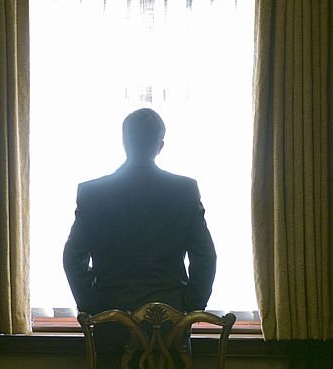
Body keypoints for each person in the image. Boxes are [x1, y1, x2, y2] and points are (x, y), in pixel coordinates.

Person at [62, 108, 217, 316]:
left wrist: (92, 303)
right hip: (168, 319)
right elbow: (205, 256)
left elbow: (73, 256)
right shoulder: (184, 191)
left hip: (110, 316)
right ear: (160, 146)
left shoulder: (92, 193)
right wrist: (190, 305)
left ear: (124, 141)